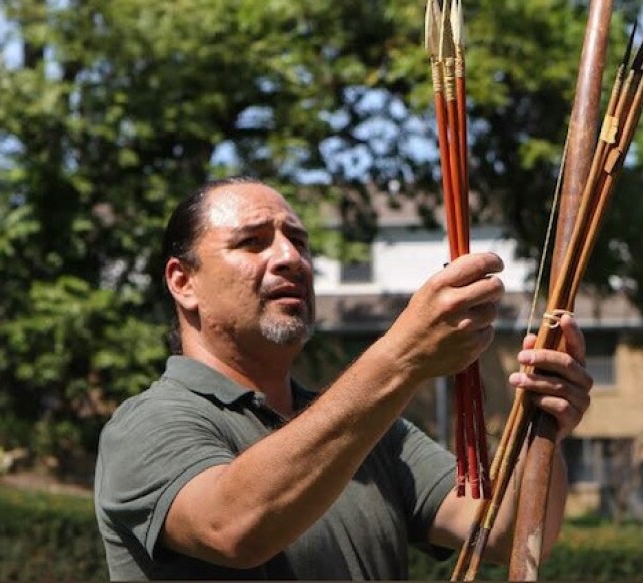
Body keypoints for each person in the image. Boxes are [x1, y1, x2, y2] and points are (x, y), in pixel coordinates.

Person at [94, 176, 594, 580]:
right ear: (183, 282)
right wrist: (401, 357)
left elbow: (506, 532)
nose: (291, 258)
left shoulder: (375, 431)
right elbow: (233, 526)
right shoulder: (147, 424)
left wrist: (544, 427)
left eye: (299, 241)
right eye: (252, 242)